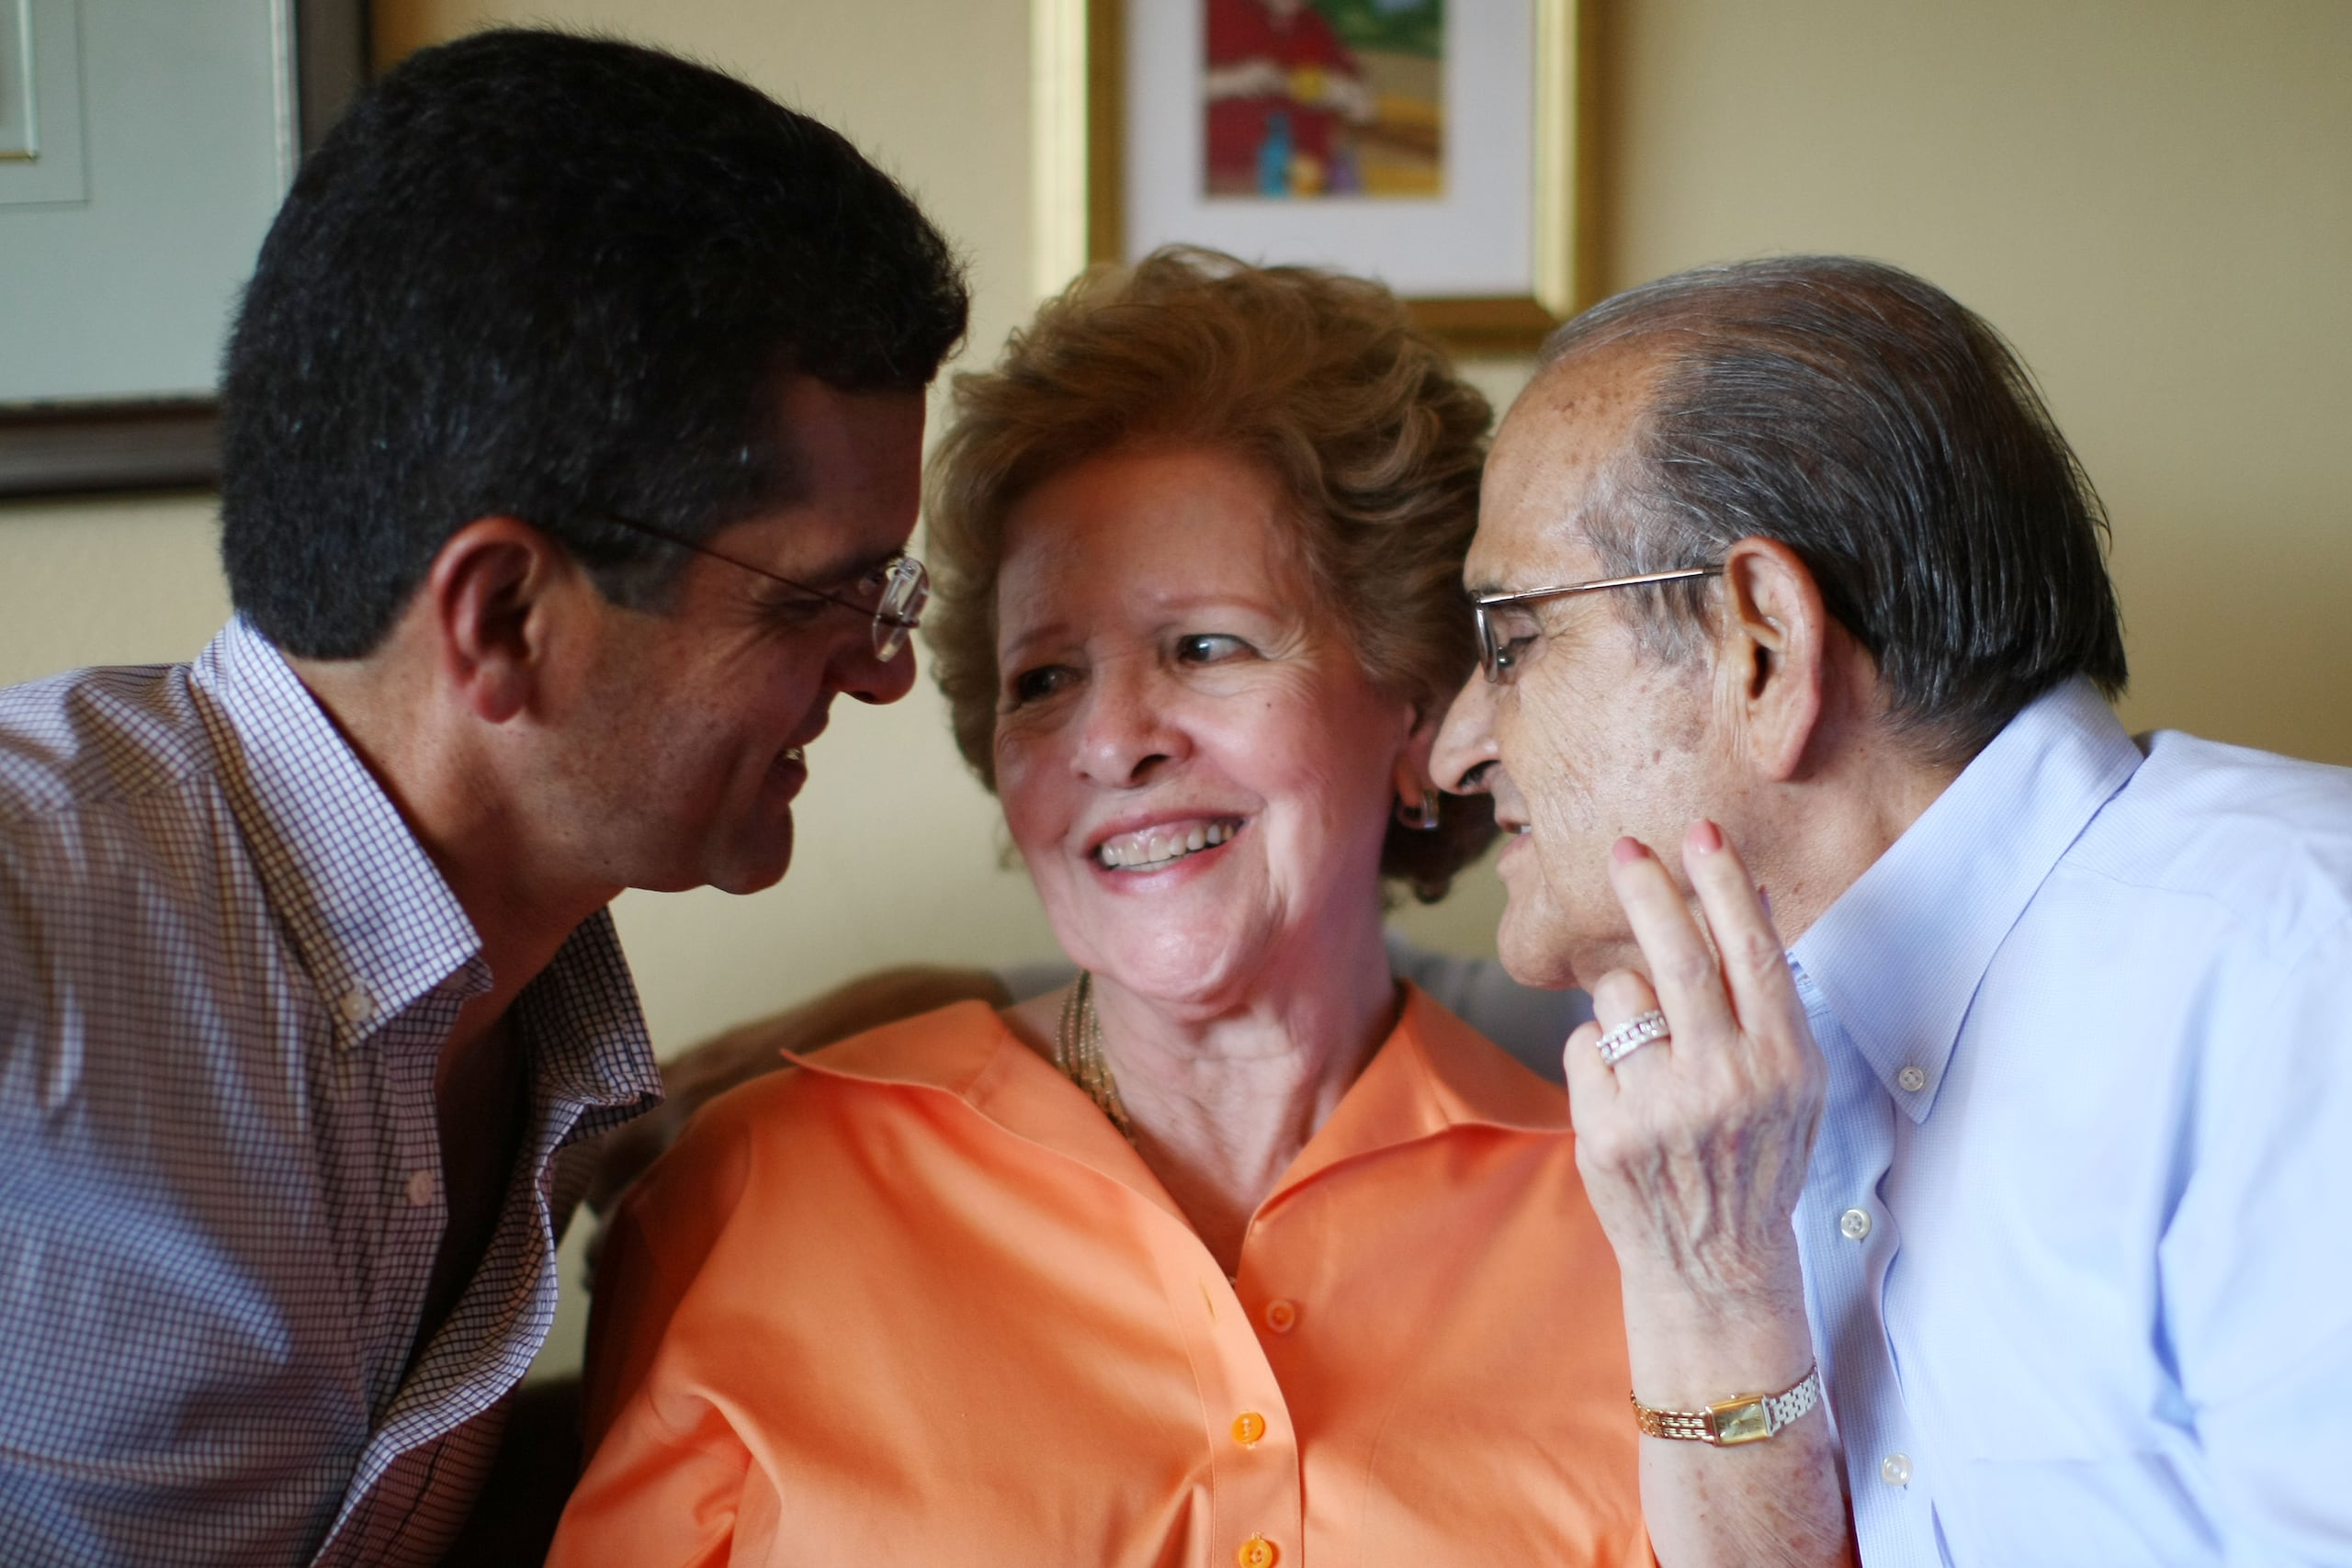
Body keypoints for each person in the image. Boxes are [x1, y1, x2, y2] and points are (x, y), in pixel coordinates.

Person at [0, 29, 966, 1568]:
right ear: (506, 615)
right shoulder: (39, 905)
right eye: (823, 599)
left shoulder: (557, 1029)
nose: (883, 673)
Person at [548, 250, 1672, 1566]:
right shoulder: (752, 1194)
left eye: (1205, 647)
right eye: (1043, 680)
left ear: (1419, 709)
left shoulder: (1645, 1222)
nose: (1113, 741)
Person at [1430, 254, 2352, 1564]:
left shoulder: (2303, 977)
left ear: (1762, 642)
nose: (1456, 748)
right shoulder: (1723, 1092)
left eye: (1511, 640)